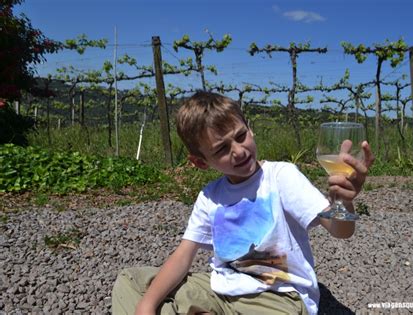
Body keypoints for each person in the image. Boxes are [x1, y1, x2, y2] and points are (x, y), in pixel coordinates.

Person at [112, 91, 374, 315]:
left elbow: (342, 231)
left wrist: (343, 202)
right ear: (201, 162)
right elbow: (183, 256)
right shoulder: (210, 196)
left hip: (277, 297)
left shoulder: (280, 176)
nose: (238, 151)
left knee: (171, 301)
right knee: (131, 281)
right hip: (222, 291)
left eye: (240, 136)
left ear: (250, 129)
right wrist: (146, 306)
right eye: (221, 149)